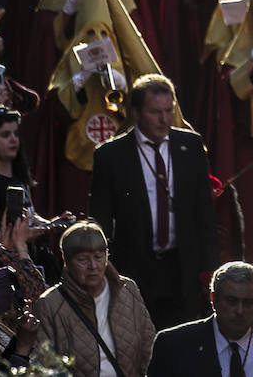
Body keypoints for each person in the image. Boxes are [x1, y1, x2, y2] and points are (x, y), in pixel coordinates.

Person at [88, 74, 219, 329]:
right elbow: (100, 218)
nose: (164, 119)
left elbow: (205, 214)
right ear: (136, 113)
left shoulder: (190, 145)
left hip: (184, 269)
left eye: (169, 110)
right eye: (155, 112)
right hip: (134, 269)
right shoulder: (110, 155)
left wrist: (210, 269)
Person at [32, 221, 156, 377]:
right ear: (65, 259)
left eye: (98, 257)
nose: (93, 266)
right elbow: (42, 367)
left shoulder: (127, 289)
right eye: (83, 259)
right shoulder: (49, 304)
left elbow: (150, 350)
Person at [147, 262, 253, 377]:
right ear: (213, 299)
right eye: (232, 301)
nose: (240, 311)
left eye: (248, 302)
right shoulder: (173, 345)